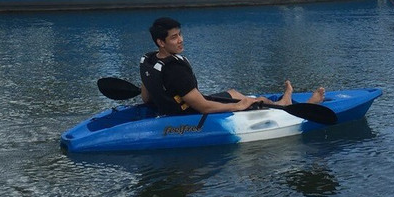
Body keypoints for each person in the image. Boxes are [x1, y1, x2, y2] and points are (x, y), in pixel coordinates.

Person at [139, 16, 325, 115]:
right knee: (249, 102)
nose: (180, 40)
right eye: (174, 37)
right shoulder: (175, 70)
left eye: (180, 34)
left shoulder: (149, 60)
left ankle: (282, 102)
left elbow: (146, 98)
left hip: (179, 105)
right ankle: (300, 105)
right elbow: (204, 107)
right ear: (161, 42)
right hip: (189, 114)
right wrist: (238, 107)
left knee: (234, 93)